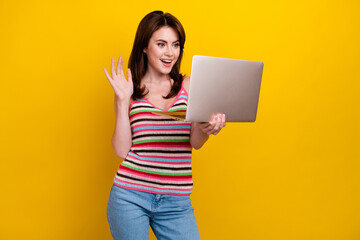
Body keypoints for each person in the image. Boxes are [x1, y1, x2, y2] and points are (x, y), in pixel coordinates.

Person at [103, 10, 226, 240]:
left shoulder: (189, 86)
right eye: (161, 44)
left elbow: (195, 142)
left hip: (176, 202)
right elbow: (121, 150)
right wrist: (121, 101)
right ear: (144, 47)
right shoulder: (131, 90)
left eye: (175, 45)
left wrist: (207, 128)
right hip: (130, 196)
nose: (170, 52)